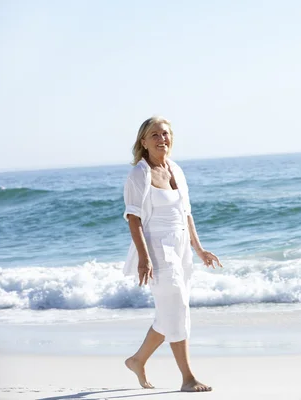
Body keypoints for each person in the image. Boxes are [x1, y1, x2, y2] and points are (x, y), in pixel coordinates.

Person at [122, 116, 222, 392]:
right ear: (143, 142)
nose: (161, 138)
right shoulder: (139, 174)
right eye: (154, 134)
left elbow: (186, 213)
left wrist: (198, 248)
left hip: (180, 247)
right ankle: (188, 377)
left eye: (164, 133)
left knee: (173, 310)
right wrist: (143, 258)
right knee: (176, 307)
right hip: (156, 247)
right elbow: (134, 219)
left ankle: (137, 360)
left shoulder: (176, 170)